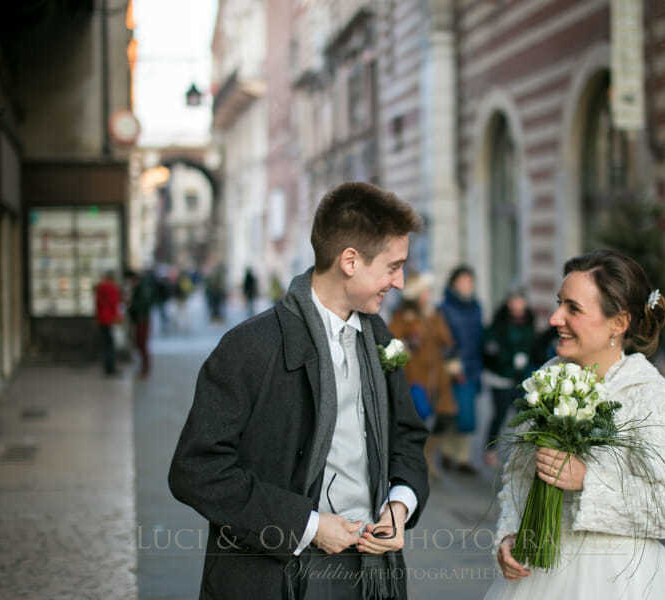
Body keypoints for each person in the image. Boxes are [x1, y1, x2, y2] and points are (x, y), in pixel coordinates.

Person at [169, 182, 429, 600]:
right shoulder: (249, 346)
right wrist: (306, 526)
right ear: (350, 261)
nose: (399, 281)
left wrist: (400, 505)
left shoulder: (379, 336)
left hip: (374, 572)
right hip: (279, 574)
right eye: (392, 266)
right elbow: (196, 470)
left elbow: (408, 436)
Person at [487, 249, 665, 600]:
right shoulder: (545, 382)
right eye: (559, 304)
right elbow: (518, 477)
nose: (555, 318)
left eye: (573, 309)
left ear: (619, 323)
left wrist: (588, 480)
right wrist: (509, 534)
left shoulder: (652, 401)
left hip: (618, 581)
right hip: (535, 576)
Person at [388, 273, 457, 480]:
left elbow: (447, 339)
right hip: (415, 377)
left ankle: (428, 456)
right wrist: (408, 342)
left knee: (444, 417)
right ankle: (414, 461)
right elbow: (392, 340)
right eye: (425, 292)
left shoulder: (435, 315)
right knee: (417, 421)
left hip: (438, 377)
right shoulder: (403, 315)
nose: (429, 295)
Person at [482, 288, 537, 467]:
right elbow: (491, 347)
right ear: (508, 303)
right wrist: (507, 359)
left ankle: (521, 452)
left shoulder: (529, 321)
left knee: (523, 416)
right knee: (499, 415)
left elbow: (532, 345)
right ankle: (490, 450)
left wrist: (525, 359)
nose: (518, 305)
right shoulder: (500, 322)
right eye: (514, 301)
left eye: (520, 300)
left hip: (521, 379)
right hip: (501, 378)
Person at [438, 265, 484, 474]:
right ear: (454, 283)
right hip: (453, 368)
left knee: (467, 414)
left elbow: (480, 337)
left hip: (473, 366)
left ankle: (462, 457)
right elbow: (441, 339)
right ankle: (449, 453)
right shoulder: (445, 308)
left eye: (470, 282)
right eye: (463, 281)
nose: (467, 286)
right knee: (453, 412)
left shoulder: (476, 307)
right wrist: (451, 362)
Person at [127, 270, 156, 378]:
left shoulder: (141, 288)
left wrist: (131, 305)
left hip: (142, 320)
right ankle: (144, 368)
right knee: (140, 344)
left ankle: (145, 369)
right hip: (141, 319)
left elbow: (142, 304)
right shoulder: (140, 288)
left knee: (142, 344)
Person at [94, 271, 121, 375]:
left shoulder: (100, 288)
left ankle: (107, 367)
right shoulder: (112, 288)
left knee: (105, 344)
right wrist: (117, 317)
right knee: (110, 344)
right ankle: (111, 368)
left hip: (101, 318)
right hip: (109, 319)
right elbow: (114, 303)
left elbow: (97, 303)